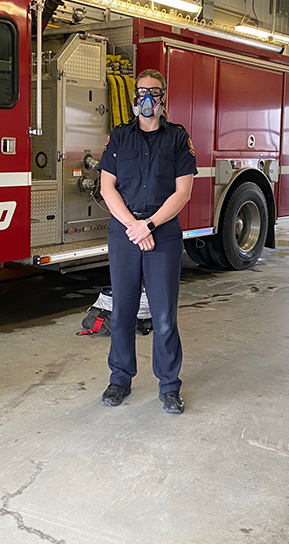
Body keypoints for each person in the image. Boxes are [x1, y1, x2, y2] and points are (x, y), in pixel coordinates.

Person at [97, 68, 197, 414]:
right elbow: (106, 187)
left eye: (154, 92)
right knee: (122, 311)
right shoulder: (120, 138)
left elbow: (183, 192)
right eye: (141, 92)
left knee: (164, 314)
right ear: (134, 98)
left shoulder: (178, 138)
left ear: (164, 98)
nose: (147, 99)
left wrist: (150, 225)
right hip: (126, 234)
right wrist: (133, 227)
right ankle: (119, 379)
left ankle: (169, 385)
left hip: (163, 234)